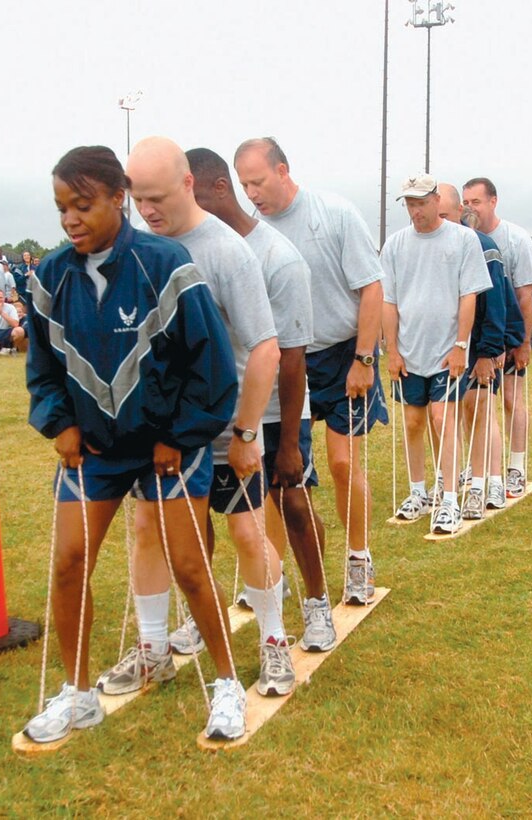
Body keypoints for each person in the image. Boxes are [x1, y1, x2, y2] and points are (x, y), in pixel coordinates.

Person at [22, 144, 243, 744]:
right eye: (62, 207)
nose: (70, 219)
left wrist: (180, 435)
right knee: (69, 564)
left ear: (118, 198)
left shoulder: (165, 263)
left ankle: (226, 685)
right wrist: (58, 422)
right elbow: (42, 368)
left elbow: (214, 366)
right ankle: (76, 694)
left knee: (190, 567)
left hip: (168, 448)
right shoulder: (49, 276)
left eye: (83, 205)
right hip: (92, 450)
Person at [96, 137, 295, 706]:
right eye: (138, 200)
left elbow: (264, 348)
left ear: (188, 184)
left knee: (246, 533)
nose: (148, 211)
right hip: (161, 434)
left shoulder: (227, 252)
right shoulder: (132, 250)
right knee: (147, 531)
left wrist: (247, 433)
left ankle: (275, 641)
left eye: (158, 197)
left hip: (227, 429)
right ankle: (154, 651)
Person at [186, 146, 335, 652]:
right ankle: (199, 611)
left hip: (275, 408)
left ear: (216, 189)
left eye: (194, 196)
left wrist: (288, 441)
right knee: (199, 510)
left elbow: (292, 359)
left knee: (292, 500)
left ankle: (317, 606)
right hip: (214, 411)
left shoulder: (278, 258)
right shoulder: (190, 248)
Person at [234, 137, 387, 602]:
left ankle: (358, 558)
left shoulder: (333, 213)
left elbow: (372, 288)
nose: (251, 193)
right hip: (287, 362)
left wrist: (364, 358)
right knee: (280, 475)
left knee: (343, 464)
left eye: (257, 181)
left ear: (283, 170)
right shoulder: (252, 233)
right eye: (243, 185)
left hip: (343, 354)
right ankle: (274, 572)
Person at [381, 174, 491, 533]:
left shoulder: (462, 240)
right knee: (413, 422)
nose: (415, 210)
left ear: (434, 201)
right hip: (409, 352)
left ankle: (448, 500)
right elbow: (389, 300)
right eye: (409, 204)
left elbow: (469, 295)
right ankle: (417, 492)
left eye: (420, 203)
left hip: (447, 352)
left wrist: (461, 345)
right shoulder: (395, 244)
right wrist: (392, 350)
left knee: (443, 421)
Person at [437, 184, 523, 517]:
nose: (441, 221)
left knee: (481, 410)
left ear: (460, 212)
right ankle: (467, 476)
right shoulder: (437, 246)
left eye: (445, 214)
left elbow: (498, 302)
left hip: (481, 344)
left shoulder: (482, 246)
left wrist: (490, 350)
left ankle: (494, 482)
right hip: (452, 344)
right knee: (458, 413)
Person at [462, 178, 532, 497]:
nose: (470, 208)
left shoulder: (515, 238)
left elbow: (523, 295)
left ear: (493, 202)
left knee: (510, 398)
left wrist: (521, 344)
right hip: (479, 338)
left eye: (476, 201)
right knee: (474, 403)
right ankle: (475, 464)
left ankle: (516, 467)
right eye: (465, 202)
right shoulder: (465, 238)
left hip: (509, 332)